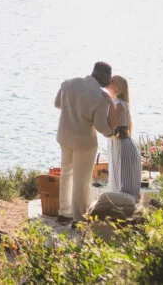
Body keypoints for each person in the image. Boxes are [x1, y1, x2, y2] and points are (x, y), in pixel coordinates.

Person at [53, 61, 113, 223]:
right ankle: (79, 218)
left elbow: (57, 104)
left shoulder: (69, 84)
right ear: (103, 76)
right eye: (109, 77)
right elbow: (101, 126)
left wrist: (73, 110)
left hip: (64, 136)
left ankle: (64, 212)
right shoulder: (100, 98)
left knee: (66, 173)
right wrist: (111, 132)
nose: (109, 81)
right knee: (82, 180)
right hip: (84, 143)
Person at [103, 74, 141, 199]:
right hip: (118, 145)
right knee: (117, 181)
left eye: (112, 81)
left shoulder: (118, 103)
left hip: (123, 148)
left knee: (123, 183)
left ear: (118, 88)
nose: (108, 82)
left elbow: (112, 124)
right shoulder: (116, 102)